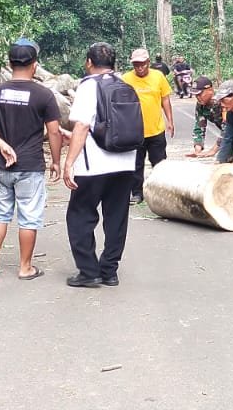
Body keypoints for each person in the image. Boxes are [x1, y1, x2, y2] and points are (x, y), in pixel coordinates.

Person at [0, 39, 61, 281]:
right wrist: (56, 161)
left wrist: (1, 145)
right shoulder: (44, 95)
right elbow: (54, 132)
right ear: (34, 65)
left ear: (9, 64)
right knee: (29, 216)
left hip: (1, 165)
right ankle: (25, 268)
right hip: (30, 166)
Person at [62, 42, 139, 288]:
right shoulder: (126, 86)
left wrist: (69, 163)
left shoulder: (89, 86)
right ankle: (109, 271)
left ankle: (88, 271)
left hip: (93, 166)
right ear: (115, 63)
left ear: (89, 62)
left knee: (80, 215)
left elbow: (82, 127)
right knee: (116, 218)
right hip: (126, 162)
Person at [122, 47, 174, 204]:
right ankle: (137, 193)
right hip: (134, 131)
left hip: (156, 129)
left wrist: (170, 121)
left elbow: (165, 99)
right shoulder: (126, 79)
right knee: (136, 164)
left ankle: (163, 192)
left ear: (148, 62)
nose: (140, 67)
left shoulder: (158, 77)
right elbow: (121, 103)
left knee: (159, 163)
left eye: (143, 64)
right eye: (136, 65)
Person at [185, 76, 226, 157]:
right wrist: (198, 150)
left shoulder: (224, 101)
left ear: (210, 90)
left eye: (200, 94)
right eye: (196, 95)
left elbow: (228, 129)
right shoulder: (201, 105)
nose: (198, 97)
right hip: (231, 136)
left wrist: (213, 151)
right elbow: (199, 127)